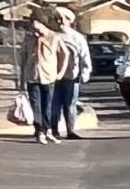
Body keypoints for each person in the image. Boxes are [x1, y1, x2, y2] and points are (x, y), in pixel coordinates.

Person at [25, 14, 85, 145]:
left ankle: (48, 131)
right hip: (32, 76)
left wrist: (61, 72)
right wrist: (21, 77)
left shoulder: (54, 37)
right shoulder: (29, 38)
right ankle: (39, 131)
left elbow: (66, 54)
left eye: (37, 27)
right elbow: (22, 57)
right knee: (36, 106)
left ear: (42, 24)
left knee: (48, 105)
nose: (35, 31)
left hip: (49, 76)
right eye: (32, 28)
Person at [53, 7, 92, 140]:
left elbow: (85, 56)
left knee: (70, 104)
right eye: (57, 18)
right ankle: (53, 130)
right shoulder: (52, 35)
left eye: (63, 18)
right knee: (54, 104)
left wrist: (85, 71)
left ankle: (71, 130)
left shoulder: (77, 38)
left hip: (72, 76)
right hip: (53, 76)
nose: (60, 21)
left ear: (69, 20)